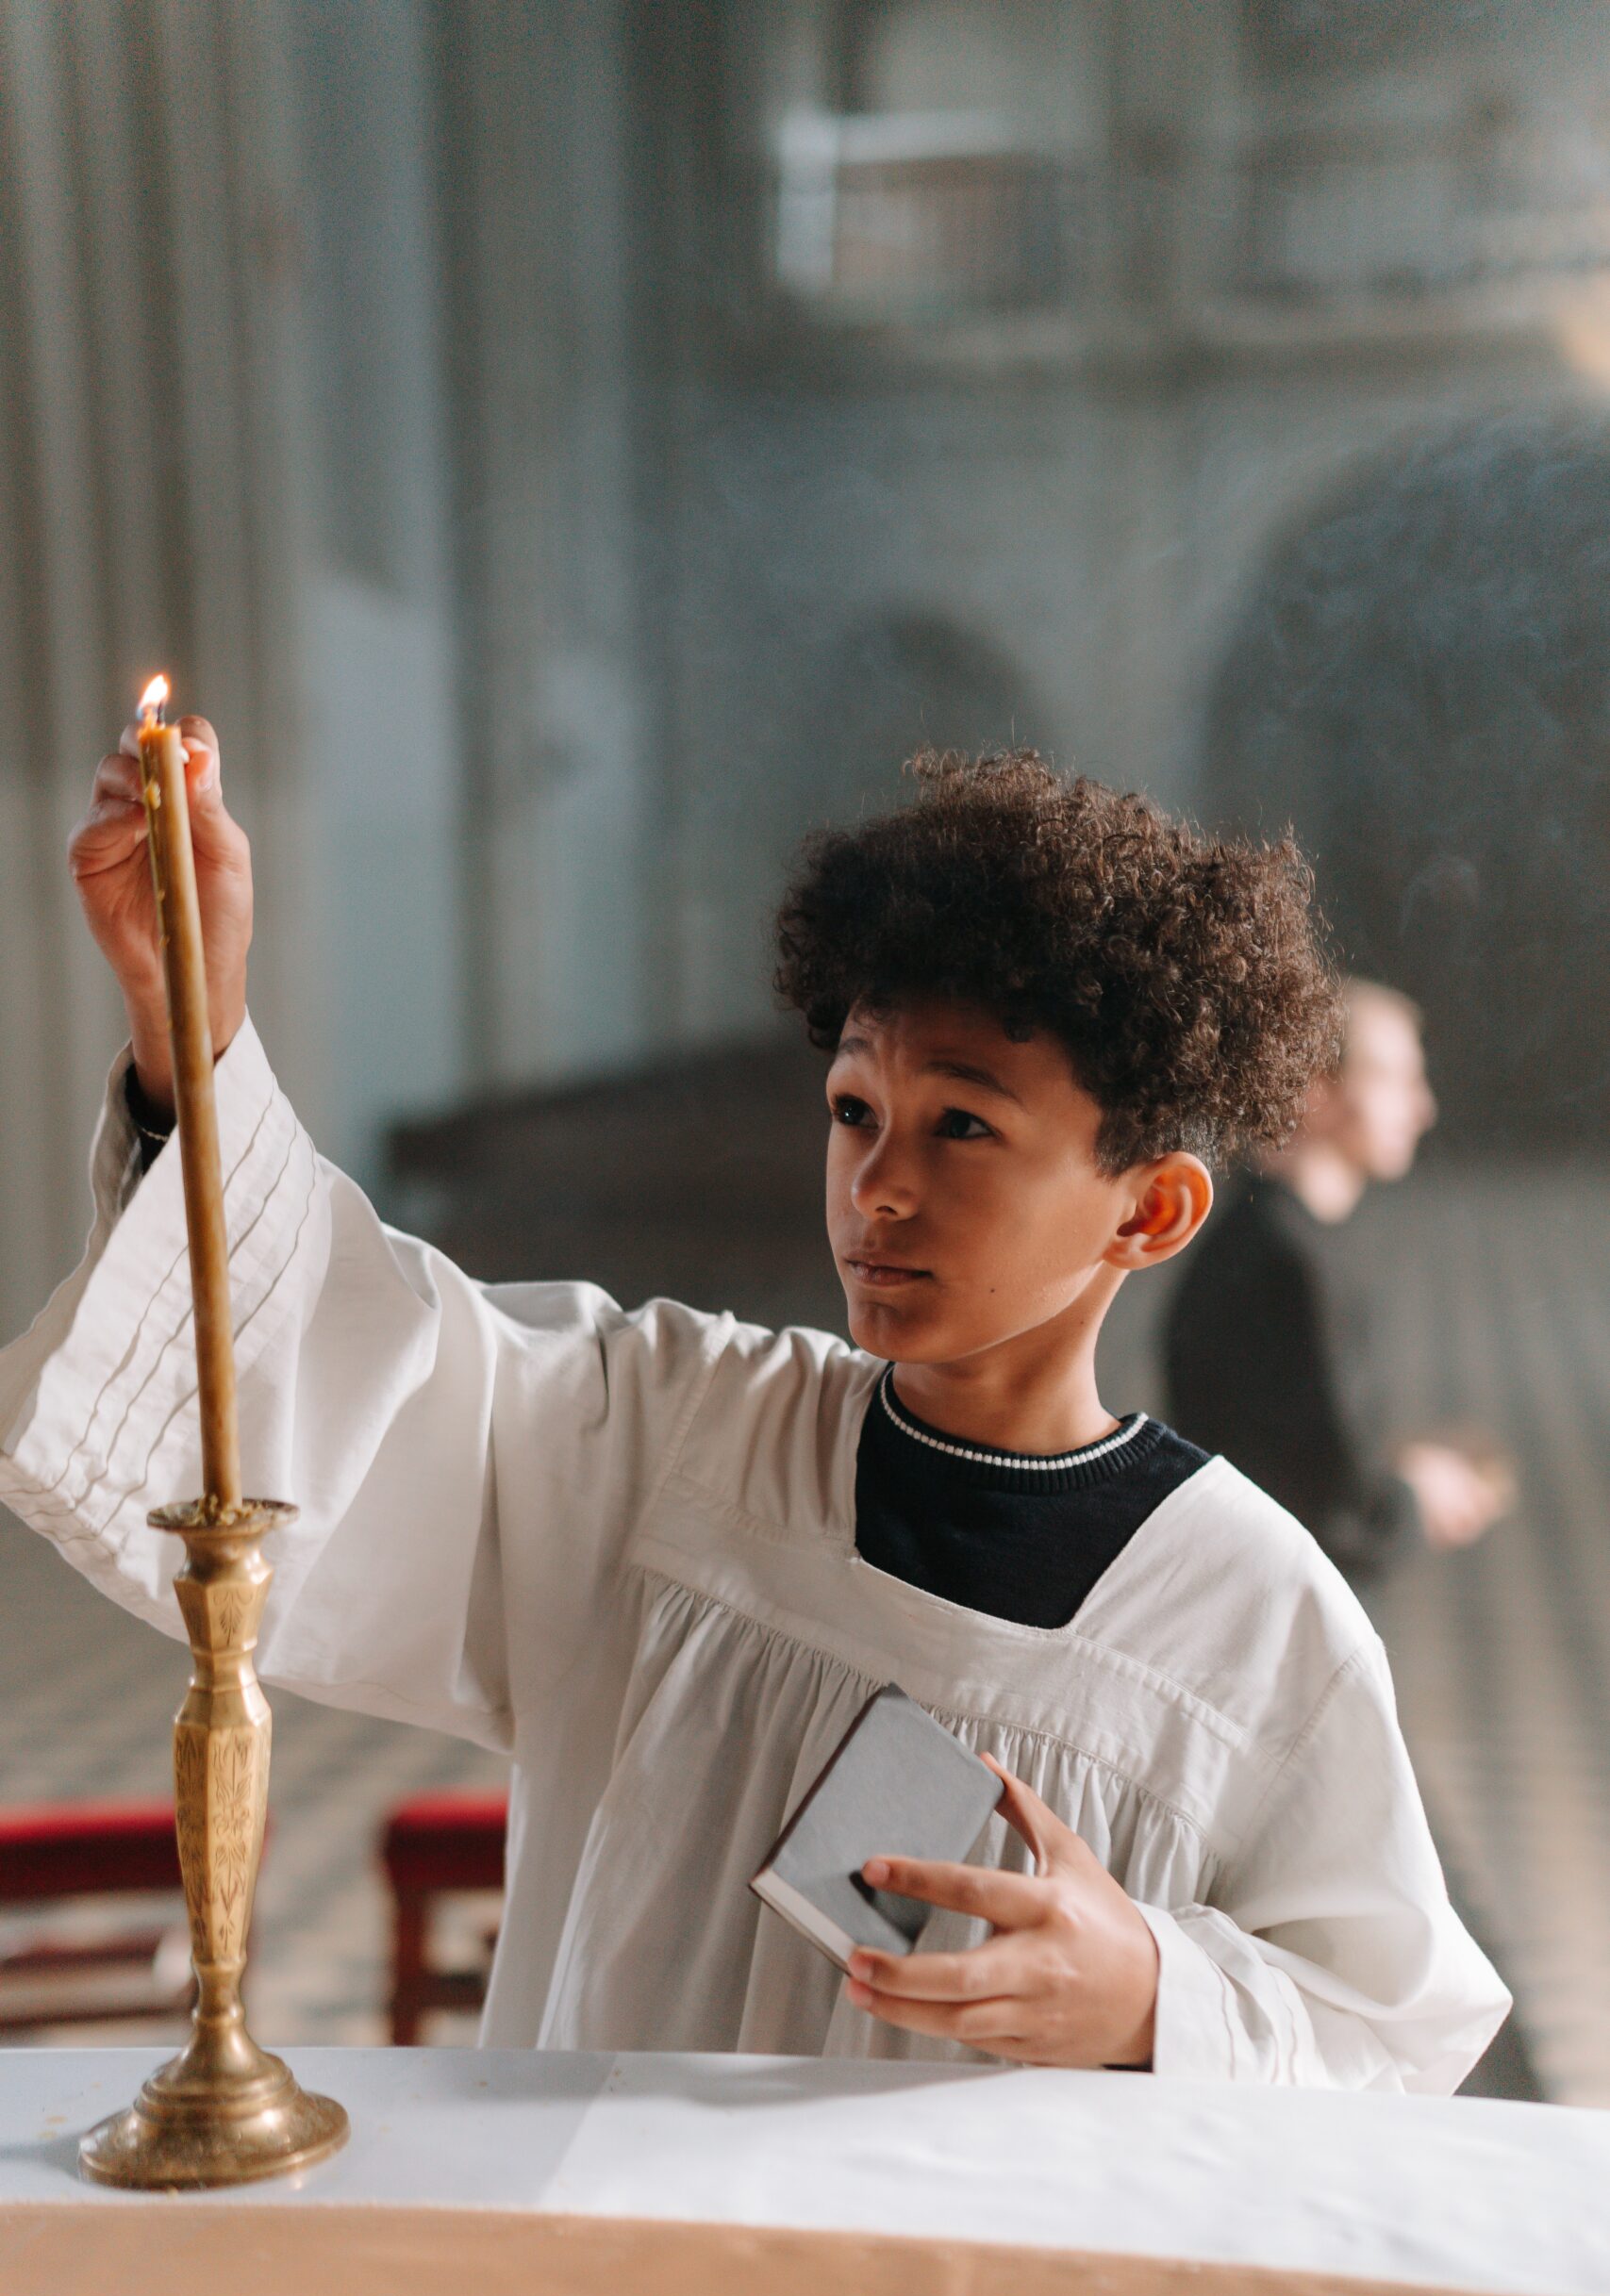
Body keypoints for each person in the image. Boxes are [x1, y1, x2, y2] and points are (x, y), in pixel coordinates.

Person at [0, 735, 1507, 2089]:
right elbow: (346, 1366)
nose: (879, 1186)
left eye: (961, 1125)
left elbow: (1387, 2033)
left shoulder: (1247, 1620)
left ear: (1149, 1209)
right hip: (607, 2267)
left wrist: (1154, 1996)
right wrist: (188, 1024)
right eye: (854, 1110)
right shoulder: (669, 1441)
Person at [1163, 980, 1512, 1591]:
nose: (1422, 1108)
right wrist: (1414, 1499)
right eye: (1395, 1080)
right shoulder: (1282, 1264)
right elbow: (1322, 1515)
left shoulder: (1283, 1237)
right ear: (1313, 1091)